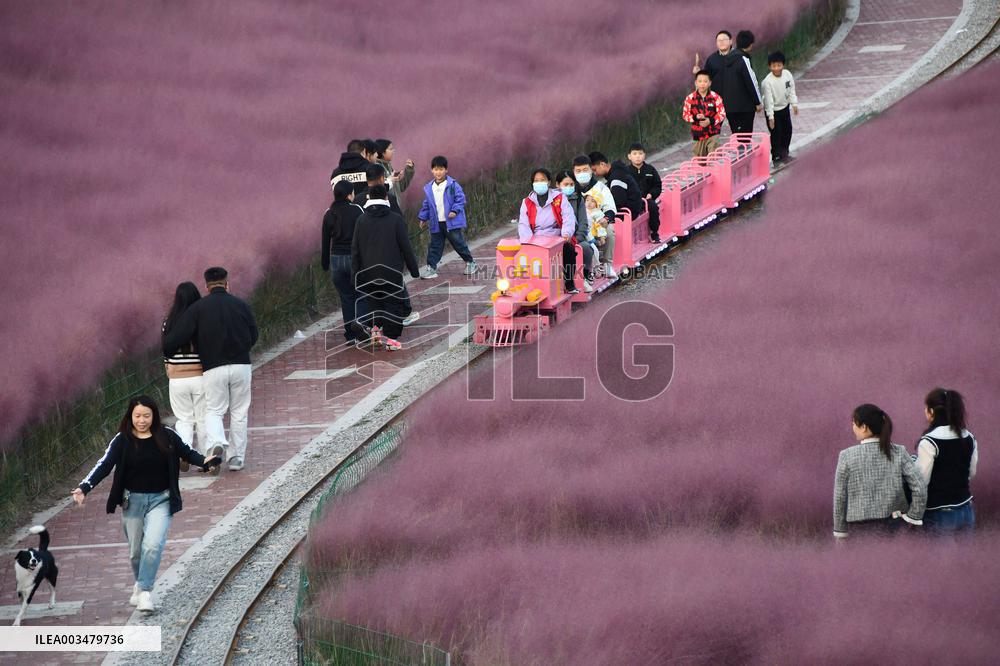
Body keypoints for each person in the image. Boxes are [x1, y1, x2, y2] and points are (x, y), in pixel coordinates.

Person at [71, 396, 221, 612]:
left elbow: (187, 453)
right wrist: (84, 487)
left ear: (154, 416)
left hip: (162, 500)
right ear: (130, 416)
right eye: (138, 416)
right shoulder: (122, 440)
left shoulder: (167, 435)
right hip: (132, 501)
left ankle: (145, 592)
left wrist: (205, 462)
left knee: (153, 545)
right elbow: (104, 465)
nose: (142, 420)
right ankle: (140, 583)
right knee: (136, 552)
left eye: (146, 416)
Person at [162, 267, 258, 472]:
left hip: (213, 367)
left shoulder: (198, 308)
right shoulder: (241, 304)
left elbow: (176, 338)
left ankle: (216, 442)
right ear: (227, 283)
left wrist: (170, 351)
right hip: (242, 365)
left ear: (206, 286)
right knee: (239, 411)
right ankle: (236, 458)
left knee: (214, 410)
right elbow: (254, 334)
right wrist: (242, 348)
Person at [833, 404, 927, 539]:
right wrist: (913, 517)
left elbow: (840, 498)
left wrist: (840, 532)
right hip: (895, 526)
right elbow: (920, 486)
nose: (852, 427)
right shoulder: (898, 452)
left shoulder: (846, 456)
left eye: (853, 423)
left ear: (864, 427)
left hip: (859, 530)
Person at [351, 184, 421, 350]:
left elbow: (355, 250)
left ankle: (375, 330)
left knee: (374, 303)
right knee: (393, 305)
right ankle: (391, 340)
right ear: (386, 197)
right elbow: (406, 246)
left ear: (369, 198)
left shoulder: (361, 220)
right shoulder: (395, 219)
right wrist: (414, 270)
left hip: (368, 273)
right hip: (392, 273)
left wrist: (355, 275)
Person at [915, 388, 978, 533]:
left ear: (931, 411)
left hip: (939, 513)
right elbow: (972, 472)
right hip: (966, 509)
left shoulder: (929, 441)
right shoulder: (969, 437)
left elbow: (921, 480)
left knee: (939, 550)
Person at [161, 283, 207, 466]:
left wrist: (169, 370)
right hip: (200, 376)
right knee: (203, 419)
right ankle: (205, 458)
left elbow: (165, 350)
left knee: (184, 419)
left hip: (177, 379)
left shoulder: (168, 322)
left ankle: (185, 453)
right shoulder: (202, 320)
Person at [417, 156, 478, 279]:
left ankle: (470, 263)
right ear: (431, 170)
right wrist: (423, 218)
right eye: (436, 169)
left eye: (441, 169)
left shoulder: (452, 185)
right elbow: (427, 204)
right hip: (436, 223)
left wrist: (454, 211)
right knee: (435, 246)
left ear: (446, 170)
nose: (438, 172)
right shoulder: (430, 188)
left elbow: (460, 199)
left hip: (451, 223)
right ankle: (431, 268)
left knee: (458, 243)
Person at [517, 168, 577, 293]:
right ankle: (528, 285)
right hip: (535, 239)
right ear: (532, 183)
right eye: (536, 181)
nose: (539, 183)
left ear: (549, 182)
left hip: (557, 237)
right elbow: (523, 224)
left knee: (569, 250)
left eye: (542, 180)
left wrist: (566, 233)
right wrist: (527, 242)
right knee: (522, 255)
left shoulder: (560, 198)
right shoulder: (526, 202)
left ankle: (569, 283)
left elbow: (568, 217)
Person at [322, 180, 366, 343]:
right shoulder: (357, 210)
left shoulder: (329, 213)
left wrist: (325, 264)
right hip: (354, 259)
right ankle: (362, 326)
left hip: (336, 260)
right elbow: (364, 234)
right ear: (349, 195)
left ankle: (350, 335)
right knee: (361, 294)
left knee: (346, 298)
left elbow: (325, 241)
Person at [572, 155, 618, 279]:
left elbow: (610, 208)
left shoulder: (601, 188)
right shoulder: (570, 188)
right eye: (578, 171)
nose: (582, 173)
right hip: (577, 224)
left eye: (585, 170)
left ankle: (607, 265)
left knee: (609, 231)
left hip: (597, 222)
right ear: (573, 172)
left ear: (591, 170)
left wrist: (606, 219)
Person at [555, 170, 596, 292]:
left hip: (575, 237)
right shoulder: (553, 200)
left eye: (571, 184)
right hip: (558, 239)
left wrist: (577, 239)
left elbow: (583, 222)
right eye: (565, 184)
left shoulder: (578, 199)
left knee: (586, 248)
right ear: (557, 184)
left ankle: (585, 275)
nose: (569, 187)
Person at [719, 30, 762, 134]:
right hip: (744, 107)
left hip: (729, 107)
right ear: (750, 45)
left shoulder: (726, 60)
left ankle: (737, 145)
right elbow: (751, 81)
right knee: (745, 137)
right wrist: (757, 102)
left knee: (736, 135)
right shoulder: (743, 59)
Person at [761, 51, 799, 163]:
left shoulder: (787, 75)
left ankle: (784, 153)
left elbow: (791, 90)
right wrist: (770, 117)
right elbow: (768, 100)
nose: (776, 68)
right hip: (773, 110)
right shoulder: (767, 82)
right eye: (774, 66)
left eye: (779, 65)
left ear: (783, 65)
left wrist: (794, 104)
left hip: (784, 108)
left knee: (787, 130)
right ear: (769, 67)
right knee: (776, 133)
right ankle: (776, 157)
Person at [682, 71, 727, 157]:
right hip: (698, 135)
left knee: (713, 157)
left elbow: (722, 114)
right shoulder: (690, 98)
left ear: (710, 83)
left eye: (705, 81)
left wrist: (710, 120)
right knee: (700, 160)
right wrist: (696, 118)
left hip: (713, 133)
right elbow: (685, 115)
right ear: (696, 83)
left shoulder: (715, 97)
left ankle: (713, 164)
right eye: (700, 81)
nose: (702, 84)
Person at [588, 151, 643, 221]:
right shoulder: (617, 172)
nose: (595, 173)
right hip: (631, 209)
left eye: (595, 170)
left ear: (602, 164)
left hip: (628, 212)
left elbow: (618, 201)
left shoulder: (616, 177)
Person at [626, 142, 663, 243]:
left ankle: (654, 233)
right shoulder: (626, 172)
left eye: (640, 153)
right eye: (634, 154)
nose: (638, 156)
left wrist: (651, 194)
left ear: (644, 155)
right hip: (632, 201)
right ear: (629, 156)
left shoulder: (650, 170)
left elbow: (657, 185)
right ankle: (629, 238)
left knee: (653, 208)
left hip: (647, 200)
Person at [692, 30, 733, 100]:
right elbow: (705, 78)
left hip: (736, 99)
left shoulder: (739, 57)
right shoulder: (711, 59)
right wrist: (698, 72)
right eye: (719, 40)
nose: (721, 42)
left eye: (724, 39)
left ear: (731, 41)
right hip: (717, 100)